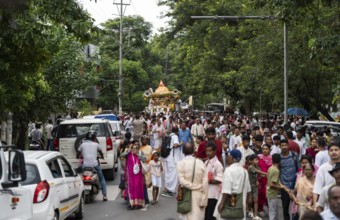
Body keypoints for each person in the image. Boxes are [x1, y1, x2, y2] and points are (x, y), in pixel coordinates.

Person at [216, 149, 251, 220]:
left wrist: (222, 204)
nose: (227, 158)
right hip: (240, 204)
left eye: (228, 156)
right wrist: (247, 204)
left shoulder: (228, 170)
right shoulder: (244, 171)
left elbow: (226, 189)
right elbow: (248, 190)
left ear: (232, 158)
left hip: (229, 203)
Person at [176, 143, 208, 220]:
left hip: (186, 194)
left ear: (183, 151)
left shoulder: (180, 163)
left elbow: (182, 180)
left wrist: (192, 186)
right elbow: (205, 182)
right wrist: (204, 200)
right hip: (199, 195)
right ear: (194, 151)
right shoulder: (200, 163)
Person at [77, 131, 107, 201]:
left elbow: (78, 153)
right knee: (102, 178)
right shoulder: (96, 144)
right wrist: (102, 157)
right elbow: (101, 152)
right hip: (95, 165)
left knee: (78, 174)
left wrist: (78, 156)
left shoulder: (82, 144)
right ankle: (104, 195)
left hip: (85, 165)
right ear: (94, 138)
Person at [313, 143, 340, 208]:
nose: (333, 152)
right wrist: (314, 206)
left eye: (336, 150)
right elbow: (317, 189)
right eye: (331, 150)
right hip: (328, 207)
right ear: (328, 153)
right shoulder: (322, 168)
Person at [122, 141, 146, 209]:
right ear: (132, 146)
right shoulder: (129, 153)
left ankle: (138, 204)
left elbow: (144, 159)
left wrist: (138, 155)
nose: (136, 146)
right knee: (131, 188)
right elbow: (121, 156)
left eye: (138, 145)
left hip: (138, 174)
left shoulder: (141, 153)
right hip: (130, 175)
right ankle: (131, 204)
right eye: (135, 145)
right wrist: (128, 150)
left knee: (138, 187)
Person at [280, 139, 300, 220]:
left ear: (288, 146)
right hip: (284, 186)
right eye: (282, 145)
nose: (284, 147)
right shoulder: (279, 157)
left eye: (285, 145)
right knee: (285, 207)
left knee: (296, 206)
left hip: (295, 185)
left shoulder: (294, 155)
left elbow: (299, 169)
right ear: (280, 147)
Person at [204, 142, 224, 220]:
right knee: (205, 215)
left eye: (210, 151)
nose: (208, 153)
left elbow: (220, 179)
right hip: (206, 193)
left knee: (210, 216)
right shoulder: (206, 162)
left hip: (213, 194)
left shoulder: (218, 164)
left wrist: (207, 180)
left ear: (215, 151)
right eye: (207, 151)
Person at [162, 126, 182, 197]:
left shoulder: (168, 136)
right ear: (177, 131)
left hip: (167, 157)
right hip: (172, 159)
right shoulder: (175, 137)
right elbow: (175, 145)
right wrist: (181, 143)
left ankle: (166, 188)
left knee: (168, 174)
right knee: (173, 174)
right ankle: (169, 190)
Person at [267, 153, 288, 220]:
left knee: (272, 211)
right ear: (280, 161)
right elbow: (272, 184)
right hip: (273, 194)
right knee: (273, 213)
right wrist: (282, 187)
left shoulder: (270, 168)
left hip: (269, 192)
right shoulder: (276, 171)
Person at [247, 154, 267, 220]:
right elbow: (258, 172)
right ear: (251, 161)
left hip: (255, 186)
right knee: (250, 201)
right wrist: (267, 173)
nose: (257, 161)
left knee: (256, 200)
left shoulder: (257, 166)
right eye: (255, 159)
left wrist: (267, 176)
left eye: (257, 159)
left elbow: (260, 175)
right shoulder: (250, 167)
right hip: (249, 185)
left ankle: (255, 215)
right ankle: (249, 210)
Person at [257, 144, 272, 217]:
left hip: (268, 179)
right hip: (260, 179)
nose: (265, 150)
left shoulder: (272, 159)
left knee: (268, 194)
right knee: (260, 194)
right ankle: (261, 209)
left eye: (266, 149)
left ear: (269, 150)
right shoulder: (259, 157)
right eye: (263, 149)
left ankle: (270, 209)